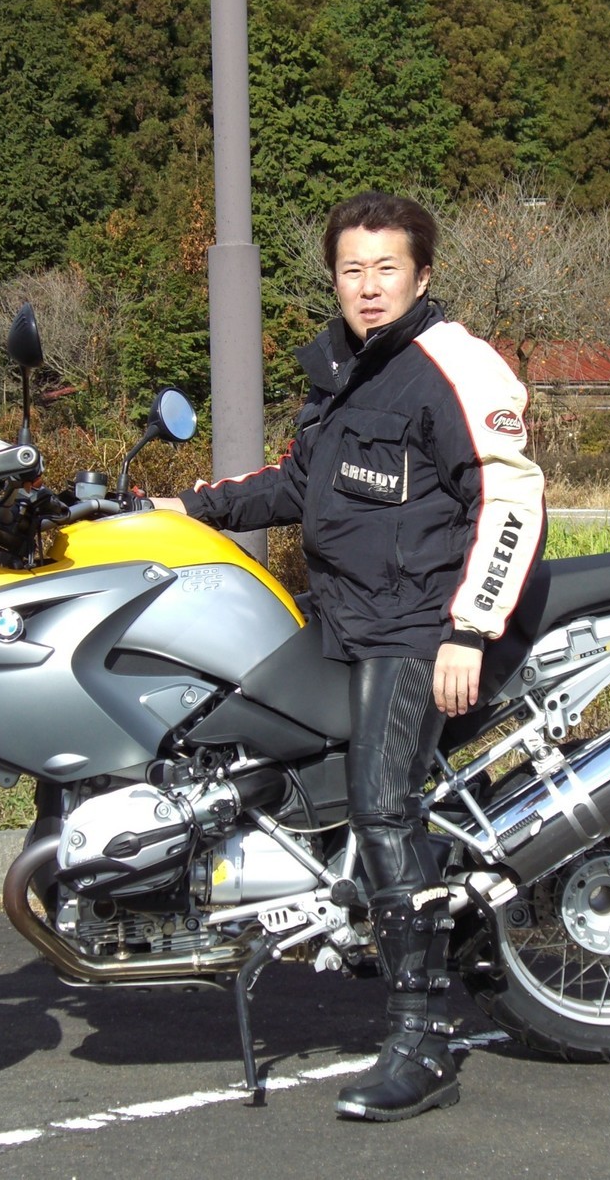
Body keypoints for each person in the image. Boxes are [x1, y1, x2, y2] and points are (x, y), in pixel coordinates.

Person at [154, 191, 546, 1121]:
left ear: (422, 275)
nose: (368, 287)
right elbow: (298, 482)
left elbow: (510, 500)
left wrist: (468, 628)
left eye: (386, 269)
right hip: (348, 616)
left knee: (383, 804)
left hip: (419, 625)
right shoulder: (344, 367)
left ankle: (422, 1041)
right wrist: (182, 510)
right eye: (352, 270)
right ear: (334, 278)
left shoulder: (455, 365)